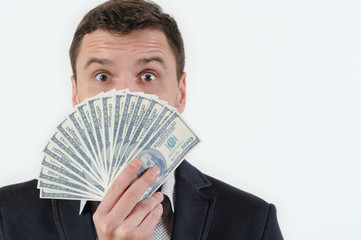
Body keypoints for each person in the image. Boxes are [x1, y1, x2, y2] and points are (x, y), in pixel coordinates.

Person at [0, 0, 283, 239]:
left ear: (180, 93)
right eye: (102, 76)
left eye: (148, 76)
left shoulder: (253, 221)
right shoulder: (6, 215)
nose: (126, 94)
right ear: (76, 94)